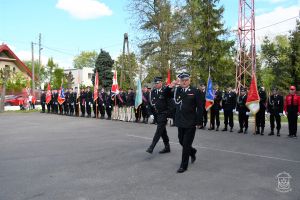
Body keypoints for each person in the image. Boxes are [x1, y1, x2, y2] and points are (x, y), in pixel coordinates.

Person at [166, 72, 203, 173]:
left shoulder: (195, 91)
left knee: (186, 144)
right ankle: (192, 151)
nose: (184, 82)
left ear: (189, 80)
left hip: (191, 122)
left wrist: (199, 121)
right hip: (180, 121)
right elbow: (166, 95)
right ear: (180, 81)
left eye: (186, 80)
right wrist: (170, 86)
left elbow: (200, 107)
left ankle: (183, 165)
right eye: (182, 80)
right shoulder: (177, 90)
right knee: (181, 141)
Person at [146, 77, 171, 155]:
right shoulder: (152, 92)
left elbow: (170, 104)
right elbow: (149, 104)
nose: (156, 85)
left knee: (159, 130)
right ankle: (167, 146)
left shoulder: (165, 91)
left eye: (157, 83)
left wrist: (169, 115)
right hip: (156, 114)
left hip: (164, 113)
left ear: (161, 83)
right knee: (162, 131)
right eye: (155, 83)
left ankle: (152, 146)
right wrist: (150, 114)